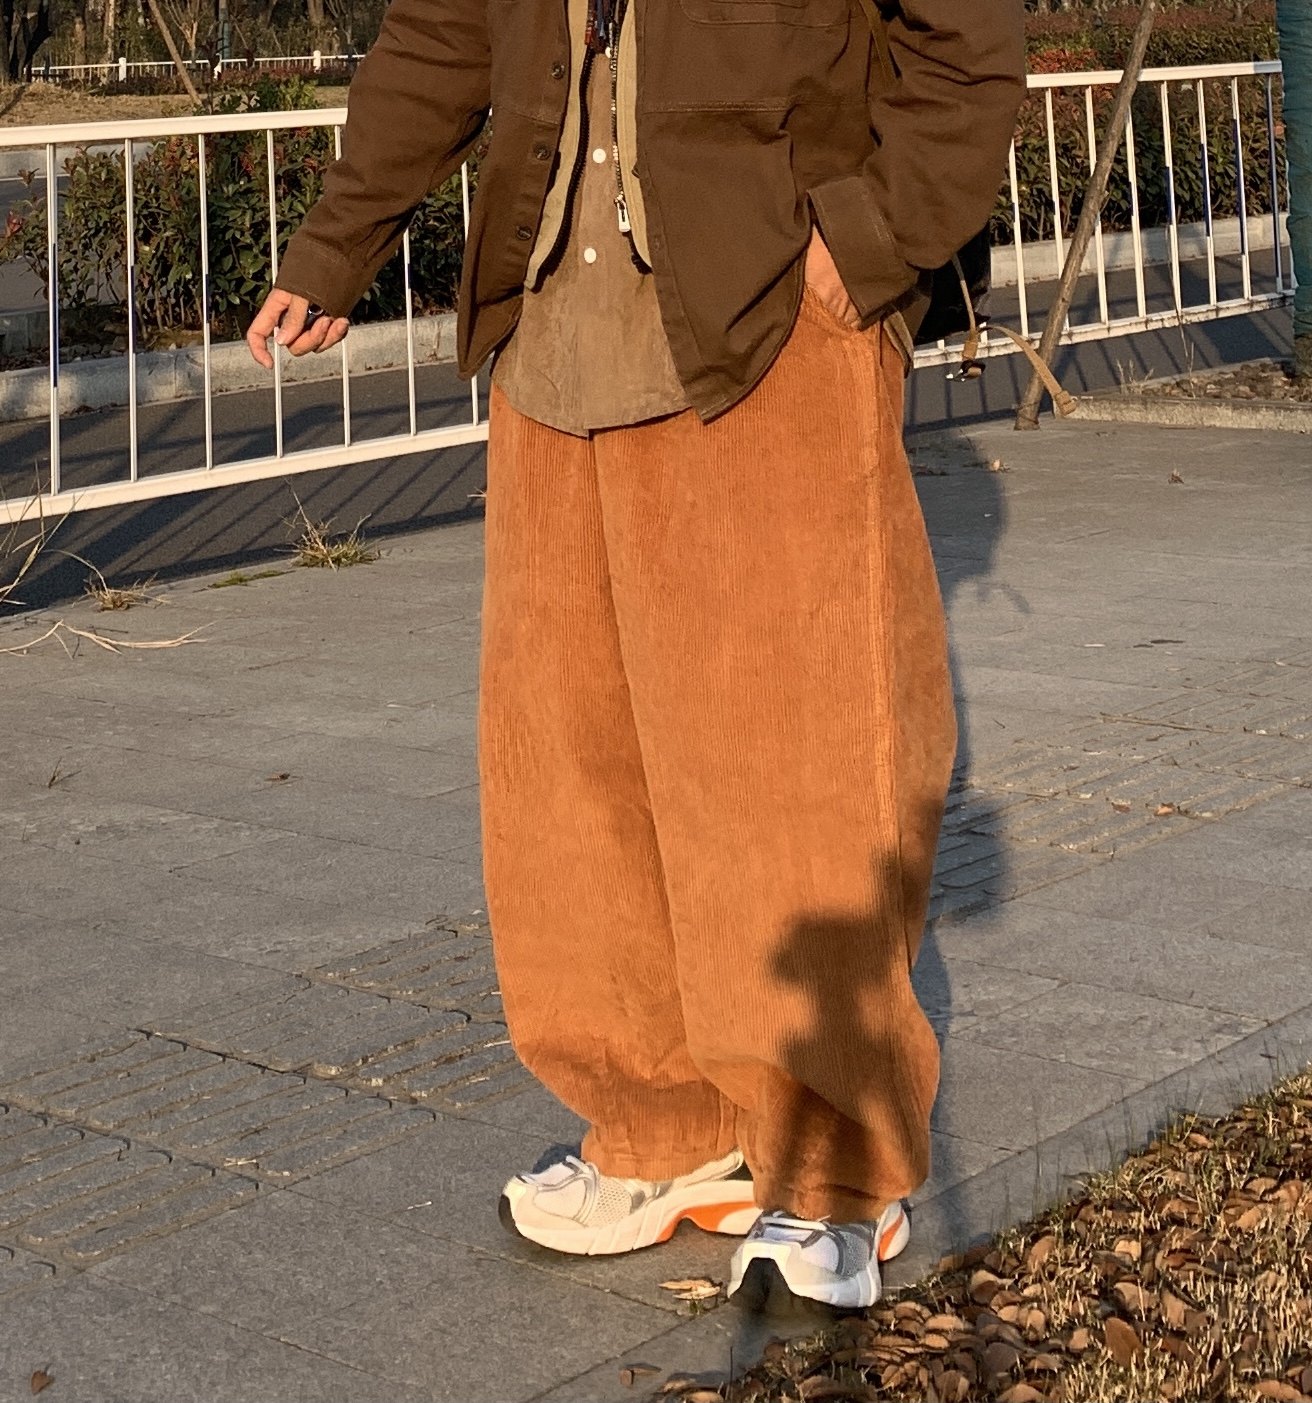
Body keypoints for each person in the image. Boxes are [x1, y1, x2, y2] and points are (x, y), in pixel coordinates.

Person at [247, 0, 1024, 1311]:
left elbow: (967, 44)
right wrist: (336, 245)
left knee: (796, 760)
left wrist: (870, 240)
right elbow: (442, 34)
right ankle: (662, 1124)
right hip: (554, 335)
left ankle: (834, 1167)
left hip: (771, 318)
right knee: (572, 770)